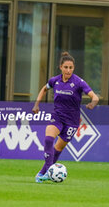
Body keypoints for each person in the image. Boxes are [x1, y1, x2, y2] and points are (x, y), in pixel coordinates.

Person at [32, 51, 99, 183]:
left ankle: (44, 172)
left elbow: (94, 96)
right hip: (57, 116)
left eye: (71, 68)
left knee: (58, 148)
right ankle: (44, 173)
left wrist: (92, 103)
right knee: (48, 140)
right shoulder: (55, 80)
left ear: (73, 68)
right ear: (61, 67)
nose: (68, 70)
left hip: (72, 121)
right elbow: (44, 89)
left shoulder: (79, 82)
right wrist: (36, 104)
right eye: (66, 67)